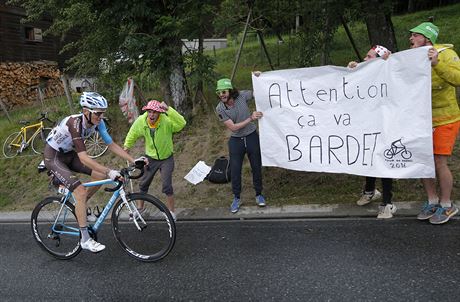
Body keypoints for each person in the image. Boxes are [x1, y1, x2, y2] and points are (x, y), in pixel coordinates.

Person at [44, 92, 142, 253]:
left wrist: (133, 160)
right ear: (85, 111)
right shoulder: (75, 123)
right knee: (80, 191)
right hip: (54, 157)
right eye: (97, 113)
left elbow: (111, 145)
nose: (100, 116)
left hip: (69, 155)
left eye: (102, 112)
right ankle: (85, 239)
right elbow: (83, 158)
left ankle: (82, 206)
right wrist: (110, 171)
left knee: (99, 175)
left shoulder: (98, 123)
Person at [408, 22, 460, 224]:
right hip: (421, 119)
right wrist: (358, 68)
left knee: (439, 161)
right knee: (424, 161)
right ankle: (432, 200)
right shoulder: (410, 57)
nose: (410, 39)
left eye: (414, 35)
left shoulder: (446, 54)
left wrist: (437, 64)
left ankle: (446, 204)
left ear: (426, 39)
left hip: (446, 118)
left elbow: (457, 78)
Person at [348, 45, 396, 219]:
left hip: (386, 125)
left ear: (380, 59)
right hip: (368, 124)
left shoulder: (389, 73)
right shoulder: (366, 72)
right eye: (365, 57)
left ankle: (387, 203)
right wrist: (352, 70)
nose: (365, 60)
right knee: (368, 156)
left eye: (369, 57)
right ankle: (370, 191)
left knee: (383, 161)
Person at [123, 100, 186, 221]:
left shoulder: (166, 121)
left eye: (155, 112)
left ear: (159, 113)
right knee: (143, 184)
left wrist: (169, 110)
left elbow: (182, 123)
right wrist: (127, 146)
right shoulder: (142, 121)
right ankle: (141, 209)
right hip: (150, 158)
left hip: (166, 158)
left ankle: (172, 213)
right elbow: (133, 133)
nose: (151, 115)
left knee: (167, 185)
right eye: (149, 112)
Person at [215, 77, 266, 213]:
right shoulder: (220, 108)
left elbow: (257, 93)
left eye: (224, 92)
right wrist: (251, 118)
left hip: (251, 136)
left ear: (230, 91)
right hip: (236, 140)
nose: (221, 95)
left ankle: (259, 195)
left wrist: (260, 78)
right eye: (219, 93)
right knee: (235, 170)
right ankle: (237, 198)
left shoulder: (242, 96)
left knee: (256, 167)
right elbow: (233, 128)